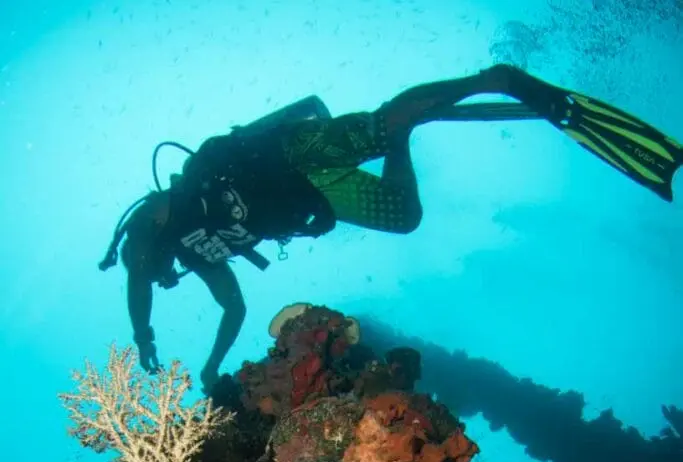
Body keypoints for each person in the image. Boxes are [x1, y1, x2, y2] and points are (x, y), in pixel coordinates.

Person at [106, 64, 682, 395]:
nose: (155, 274)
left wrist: (143, 336)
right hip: (312, 194)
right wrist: (210, 364)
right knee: (405, 218)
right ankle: (406, 138)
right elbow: (232, 309)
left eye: (150, 269)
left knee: (384, 126)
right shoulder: (200, 255)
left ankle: (499, 77)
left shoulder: (158, 214)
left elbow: (135, 271)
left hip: (289, 152)